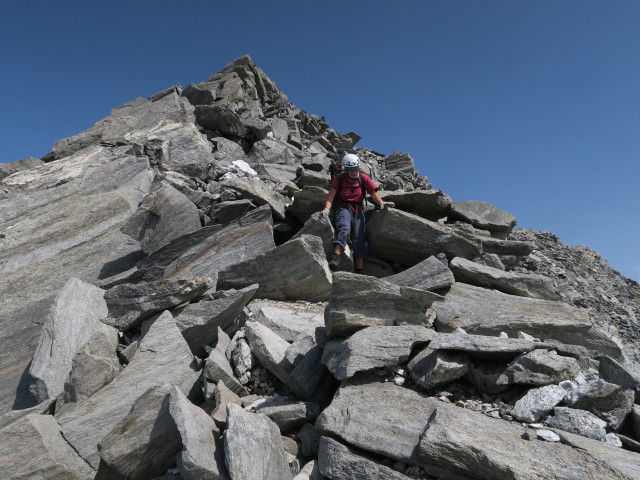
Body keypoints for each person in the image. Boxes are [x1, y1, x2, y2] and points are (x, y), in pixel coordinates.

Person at [320, 153, 394, 274]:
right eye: (351, 170)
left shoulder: (363, 178)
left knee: (359, 238)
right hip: (343, 208)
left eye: (356, 169)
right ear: (346, 170)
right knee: (344, 229)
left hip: (358, 210)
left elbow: (373, 194)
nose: (355, 172)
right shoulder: (339, 179)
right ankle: (335, 259)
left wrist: (381, 202)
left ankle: (359, 272)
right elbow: (331, 196)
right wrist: (327, 209)